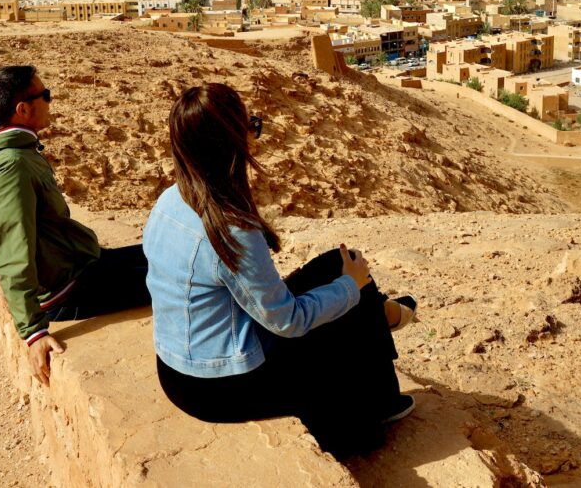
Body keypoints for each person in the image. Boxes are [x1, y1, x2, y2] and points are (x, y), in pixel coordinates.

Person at [143, 83, 417, 457]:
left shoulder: (170, 200)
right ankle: (375, 404)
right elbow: (288, 321)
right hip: (218, 385)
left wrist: (348, 283)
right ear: (231, 142)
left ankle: (380, 316)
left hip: (176, 369)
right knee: (349, 301)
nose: (254, 137)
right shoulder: (231, 228)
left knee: (341, 263)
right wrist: (351, 289)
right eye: (251, 127)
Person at [0, 65, 151, 386]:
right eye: (44, 95)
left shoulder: (16, 151)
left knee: (167, 250)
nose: (50, 100)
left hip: (80, 263)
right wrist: (33, 332)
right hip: (70, 290)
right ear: (23, 109)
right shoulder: (10, 166)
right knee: (186, 276)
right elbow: (10, 252)